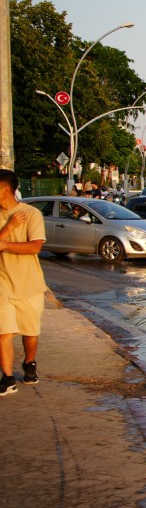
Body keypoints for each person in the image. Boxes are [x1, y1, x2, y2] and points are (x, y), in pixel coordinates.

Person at [0, 169, 47, 396]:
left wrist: (5, 245)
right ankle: (7, 377)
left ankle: (29, 363)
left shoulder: (31, 214)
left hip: (29, 284)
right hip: (2, 283)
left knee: (30, 331)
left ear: (4, 189)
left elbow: (35, 247)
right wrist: (8, 229)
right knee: (3, 331)